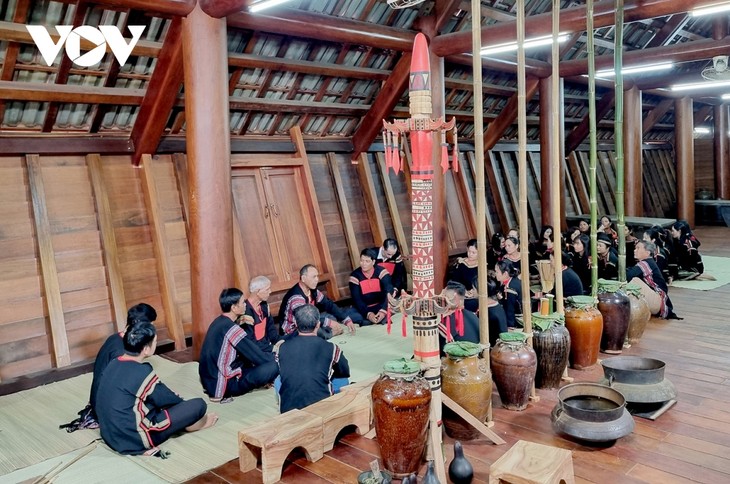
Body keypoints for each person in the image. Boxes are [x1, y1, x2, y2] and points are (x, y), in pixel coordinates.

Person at [96, 321, 217, 456]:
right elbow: (168, 399)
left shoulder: (114, 363)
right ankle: (194, 423)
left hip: (110, 435)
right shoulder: (141, 372)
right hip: (135, 439)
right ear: (146, 349)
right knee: (198, 405)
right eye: (155, 341)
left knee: (157, 400)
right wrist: (186, 413)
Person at [199, 288, 279, 403]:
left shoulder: (218, 322)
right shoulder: (233, 329)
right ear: (234, 308)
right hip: (224, 385)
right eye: (242, 303)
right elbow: (257, 356)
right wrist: (277, 358)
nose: (245, 305)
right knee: (273, 366)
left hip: (209, 381)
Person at [277, 305, 350, 413]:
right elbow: (344, 371)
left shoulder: (282, 348)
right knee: (343, 380)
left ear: (296, 324)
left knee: (278, 380)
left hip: (289, 411)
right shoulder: (331, 348)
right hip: (322, 408)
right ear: (318, 324)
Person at [279, 264, 358, 337]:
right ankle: (330, 334)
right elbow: (306, 320)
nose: (317, 279)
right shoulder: (296, 297)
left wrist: (346, 319)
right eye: (314, 277)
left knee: (331, 317)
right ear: (303, 278)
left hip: (309, 322)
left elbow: (328, 304)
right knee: (322, 327)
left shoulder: (312, 290)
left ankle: (327, 332)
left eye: (317, 276)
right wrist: (328, 323)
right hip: (293, 331)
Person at [627, 241, 677, 319]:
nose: (634, 250)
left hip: (658, 302)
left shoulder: (645, 264)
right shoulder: (648, 263)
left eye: (638, 248)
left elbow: (628, 276)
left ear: (647, 252)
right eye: (635, 248)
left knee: (634, 281)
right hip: (659, 301)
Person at [349, 248, 393, 324]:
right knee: (350, 315)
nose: (363, 264)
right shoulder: (354, 276)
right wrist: (369, 314)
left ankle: (381, 315)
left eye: (367, 261)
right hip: (364, 308)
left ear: (373, 262)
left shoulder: (382, 272)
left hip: (380, 305)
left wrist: (383, 311)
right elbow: (357, 300)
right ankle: (370, 318)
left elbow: (389, 290)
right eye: (362, 261)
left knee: (392, 306)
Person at [241, 276, 280, 354]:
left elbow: (271, 328)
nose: (270, 291)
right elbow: (251, 342)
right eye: (267, 289)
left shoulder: (264, 305)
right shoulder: (245, 312)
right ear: (257, 292)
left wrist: (279, 342)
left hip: (266, 345)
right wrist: (273, 348)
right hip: (256, 351)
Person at [448, 239, 479, 312]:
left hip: (478, 295)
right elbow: (455, 282)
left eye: (473, 252)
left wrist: (476, 291)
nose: (470, 254)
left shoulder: (483, 265)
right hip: (463, 295)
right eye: (469, 251)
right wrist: (464, 291)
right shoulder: (461, 264)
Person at [495, 259, 522, 328]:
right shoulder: (513, 279)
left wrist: (510, 326)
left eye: (497, 272)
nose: (495, 274)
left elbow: (510, 310)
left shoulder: (510, 288)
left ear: (505, 274)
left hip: (519, 319)